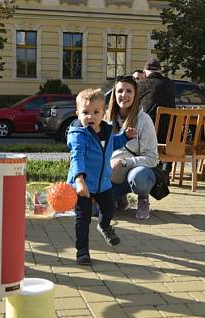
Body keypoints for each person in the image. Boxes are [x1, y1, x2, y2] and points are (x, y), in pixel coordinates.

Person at [67, 88, 136, 266]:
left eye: (96, 112)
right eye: (85, 112)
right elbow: (77, 158)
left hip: (103, 183)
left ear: (103, 114)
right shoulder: (78, 136)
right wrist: (80, 181)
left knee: (109, 209)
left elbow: (113, 144)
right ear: (78, 114)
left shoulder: (107, 130)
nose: (90, 117)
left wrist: (125, 137)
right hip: (83, 185)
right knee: (83, 219)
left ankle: (105, 226)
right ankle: (82, 251)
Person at [107, 76, 158, 220]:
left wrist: (126, 162)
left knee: (139, 176)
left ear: (135, 95)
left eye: (129, 91)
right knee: (93, 211)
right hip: (111, 174)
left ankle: (143, 199)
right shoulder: (106, 119)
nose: (124, 95)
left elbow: (152, 159)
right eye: (120, 91)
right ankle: (120, 198)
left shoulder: (144, 120)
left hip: (135, 170)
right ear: (114, 94)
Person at [137, 59, 176, 144]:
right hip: (169, 137)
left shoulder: (140, 84)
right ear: (160, 71)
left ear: (144, 73)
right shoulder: (170, 84)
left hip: (148, 136)